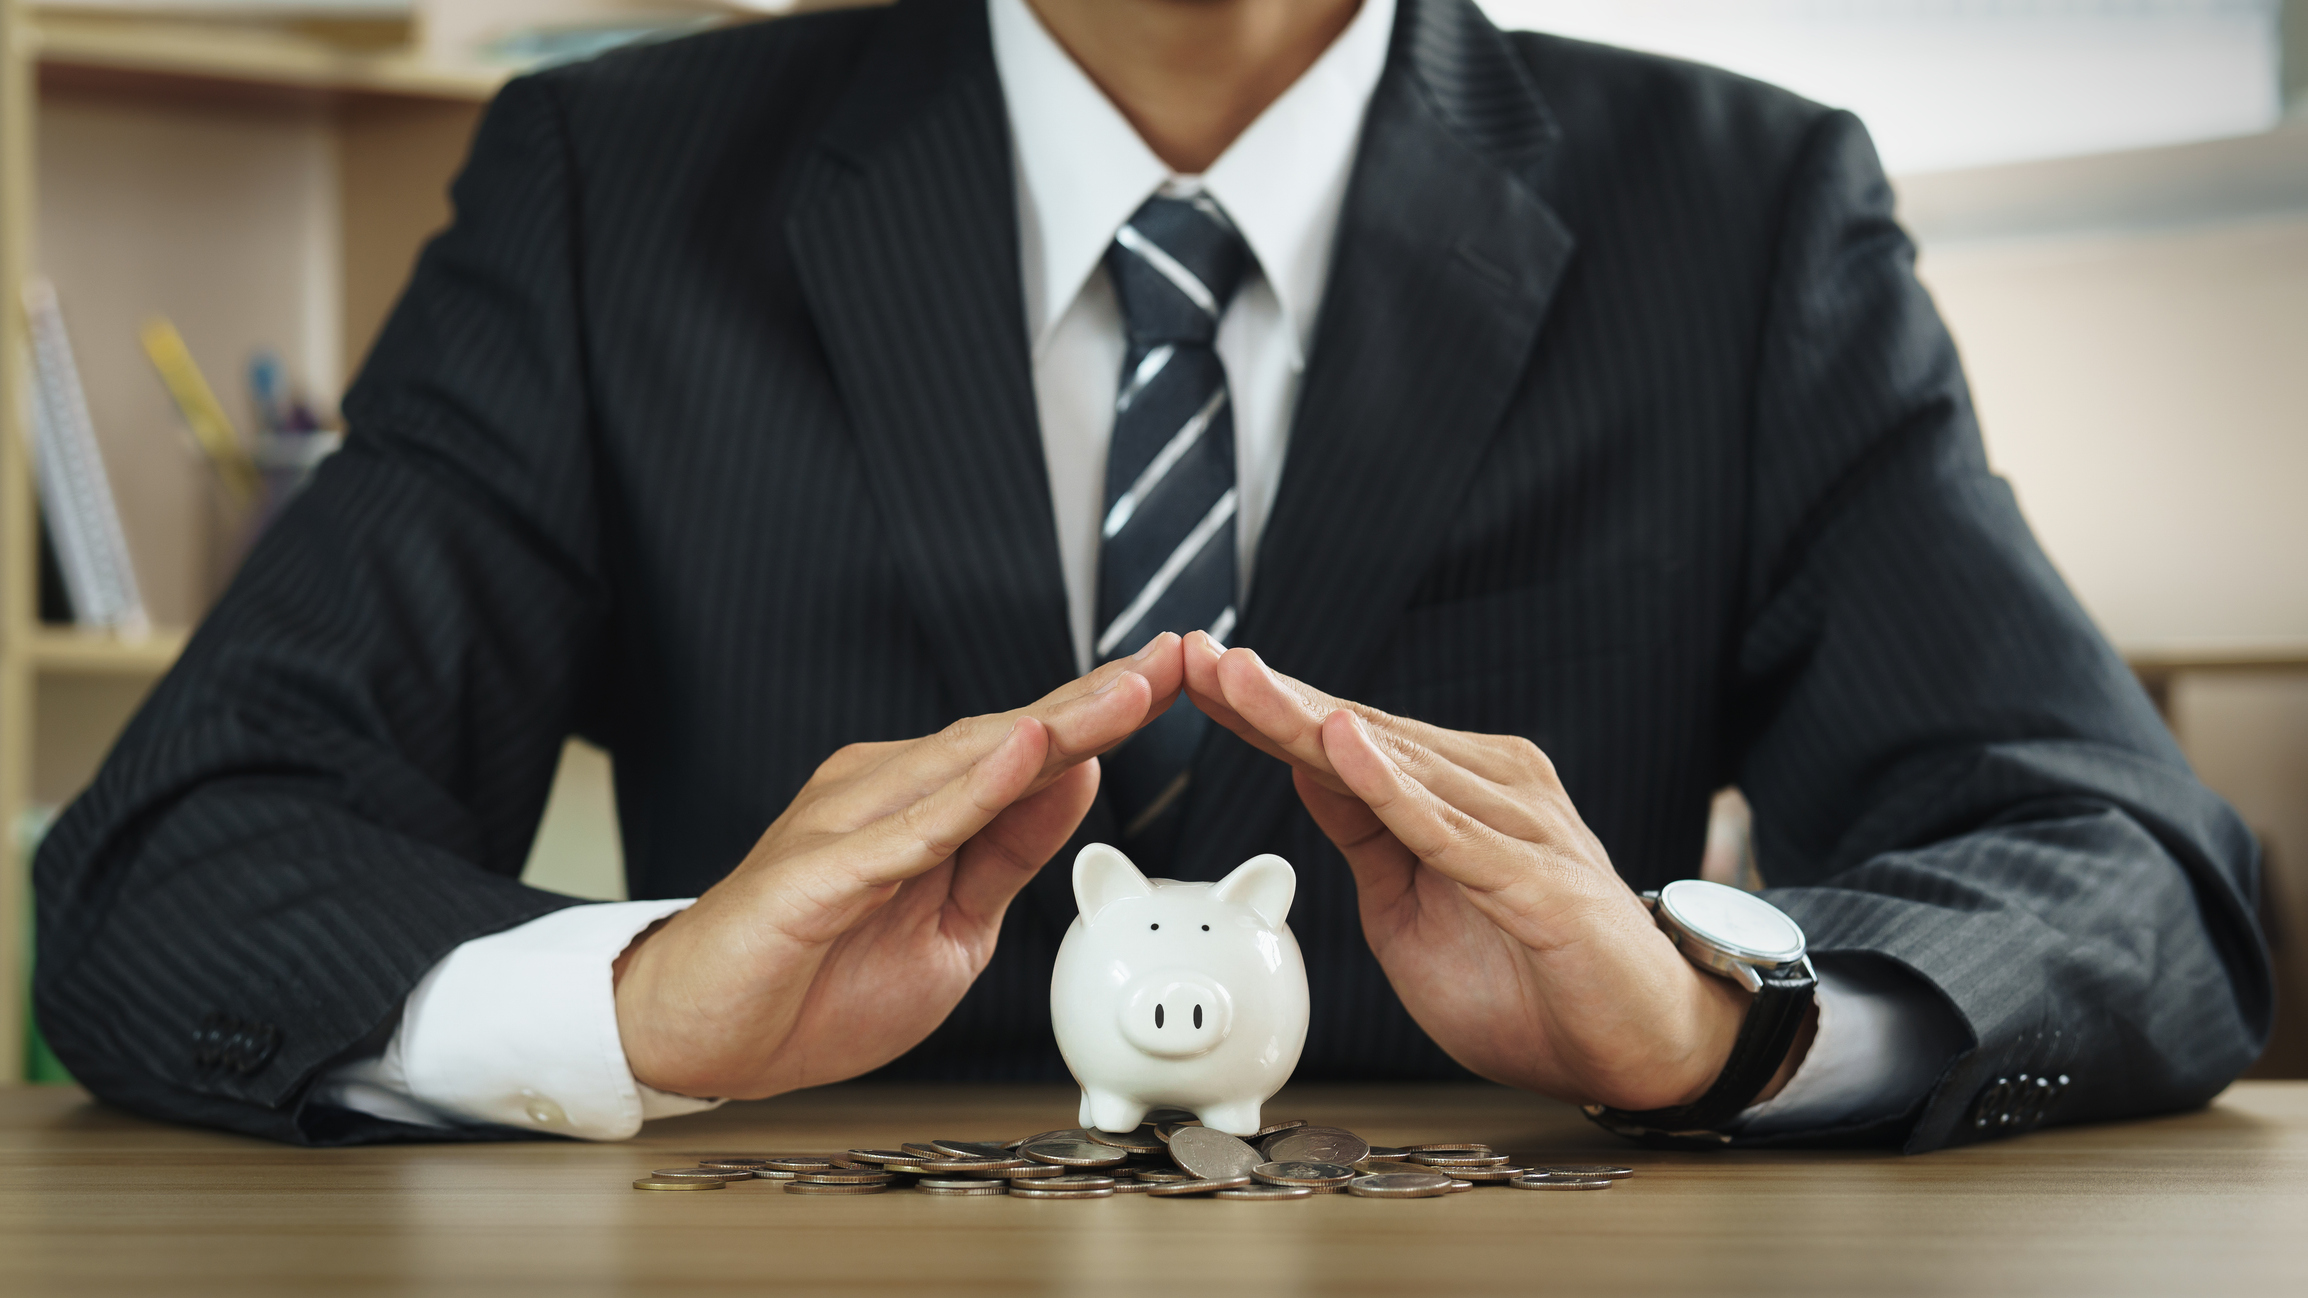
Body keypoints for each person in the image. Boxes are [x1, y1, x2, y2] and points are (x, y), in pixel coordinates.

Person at [34, 0, 2267, 1152]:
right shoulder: (608, 185)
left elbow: (2125, 865)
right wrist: (628, 1012)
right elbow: (176, 865)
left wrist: (1712, 1015)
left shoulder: (1746, 212)